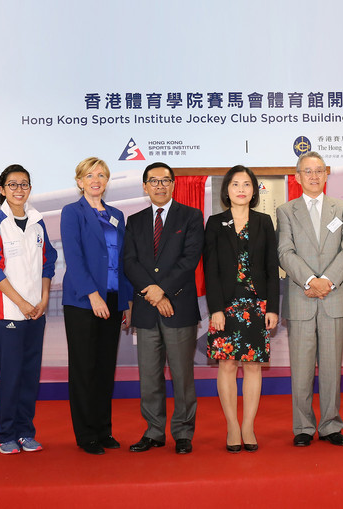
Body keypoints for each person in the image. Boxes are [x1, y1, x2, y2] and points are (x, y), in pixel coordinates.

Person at [277, 151, 343, 447]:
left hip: (334, 296)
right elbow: (285, 251)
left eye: (319, 171)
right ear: (297, 177)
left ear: (327, 175)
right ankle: (302, 426)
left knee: (330, 366)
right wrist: (311, 280)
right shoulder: (286, 211)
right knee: (301, 367)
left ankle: (330, 425)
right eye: (307, 171)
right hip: (302, 296)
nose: (313, 176)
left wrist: (327, 281)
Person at [0, 164, 57, 454]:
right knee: (10, 376)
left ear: (30, 189)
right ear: (2, 189)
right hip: (7, 313)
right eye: (12, 184)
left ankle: (25, 432)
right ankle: (5, 435)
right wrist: (20, 302)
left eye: (24, 184)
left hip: (36, 313)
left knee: (29, 375)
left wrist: (44, 299)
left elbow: (48, 262)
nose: (19, 189)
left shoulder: (38, 223)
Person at [123, 162, 203, 454]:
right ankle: (154, 431)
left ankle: (183, 432)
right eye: (153, 181)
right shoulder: (134, 221)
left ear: (174, 184)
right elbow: (130, 262)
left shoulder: (191, 216)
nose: (159, 185)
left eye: (165, 180)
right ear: (145, 187)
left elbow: (189, 260)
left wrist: (164, 291)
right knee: (149, 376)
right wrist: (154, 294)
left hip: (178, 307)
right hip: (146, 310)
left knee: (182, 376)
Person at [59, 157, 133, 455]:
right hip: (82, 302)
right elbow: (74, 258)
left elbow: (122, 260)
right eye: (89, 175)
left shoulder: (116, 214)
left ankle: (104, 430)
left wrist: (125, 301)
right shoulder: (72, 212)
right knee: (84, 369)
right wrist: (92, 295)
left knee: (105, 368)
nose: (95, 180)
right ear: (79, 181)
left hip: (114, 300)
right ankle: (86, 434)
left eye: (101, 175)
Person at [204, 165, 279, 453]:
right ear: (226, 190)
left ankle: (248, 426)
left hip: (256, 306)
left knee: (252, 366)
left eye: (247, 184)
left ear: (254, 190)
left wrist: (272, 307)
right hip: (226, 306)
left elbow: (272, 269)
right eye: (235, 184)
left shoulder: (263, 222)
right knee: (226, 364)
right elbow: (210, 270)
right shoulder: (214, 223)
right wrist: (216, 309)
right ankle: (232, 426)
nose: (241, 189)